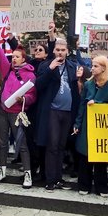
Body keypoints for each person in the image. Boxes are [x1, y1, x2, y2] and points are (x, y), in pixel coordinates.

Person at [0, 35, 37, 187]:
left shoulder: (30, 75)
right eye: (13, 56)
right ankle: (2, 171)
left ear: (23, 59)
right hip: (3, 110)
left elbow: (32, 95)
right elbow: (0, 56)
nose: (14, 59)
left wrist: (25, 100)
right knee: (2, 141)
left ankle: (27, 174)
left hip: (17, 113)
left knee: (21, 143)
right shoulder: (7, 70)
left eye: (17, 57)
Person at [35, 37, 80, 191]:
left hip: (67, 111)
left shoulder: (72, 66)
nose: (60, 52)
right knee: (52, 145)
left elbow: (77, 88)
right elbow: (38, 85)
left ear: (67, 51)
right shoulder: (46, 65)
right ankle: (50, 180)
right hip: (53, 110)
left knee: (61, 146)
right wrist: (50, 69)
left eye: (63, 50)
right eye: (58, 50)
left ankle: (58, 178)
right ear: (53, 51)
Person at [73, 54, 108, 197]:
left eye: (95, 66)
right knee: (85, 156)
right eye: (92, 65)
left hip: (102, 127)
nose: (92, 68)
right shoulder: (88, 84)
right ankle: (84, 184)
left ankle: (101, 187)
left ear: (103, 68)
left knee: (100, 158)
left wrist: (98, 105)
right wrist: (77, 123)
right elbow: (81, 105)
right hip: (87, 124)